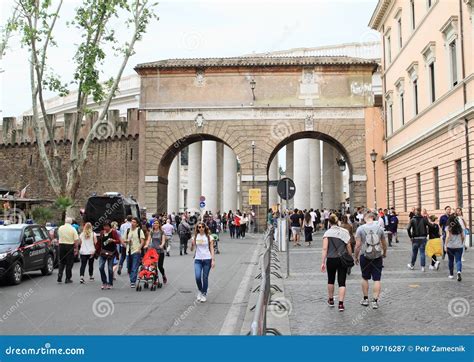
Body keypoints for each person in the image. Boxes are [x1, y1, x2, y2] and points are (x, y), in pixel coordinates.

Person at [355, 212, 387, 309]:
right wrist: (384, 252)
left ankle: (365, 299)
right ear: (373, 218)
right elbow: (384, 243)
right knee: (377, 279)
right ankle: (375, 301)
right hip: (377, 256)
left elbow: (358, 245)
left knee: (365, 278)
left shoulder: (360, 229)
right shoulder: (380, 229)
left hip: (365, 256)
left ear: (365, 218)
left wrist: (355, 256)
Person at [321, 214, 352, 311]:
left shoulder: (327, 233)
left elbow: (325, 248)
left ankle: (331, 299)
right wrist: (350, 256)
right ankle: (341, 304)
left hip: (331, 259)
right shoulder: (344, 232)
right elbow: (349, 246)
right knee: (342, 282)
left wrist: (322, 262)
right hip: (342, 259)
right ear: (337, 221)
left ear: (329, 222)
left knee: (331, 280)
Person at [191, 222, 216, 303]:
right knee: (197, 277)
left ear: (205, 228)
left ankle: (204, 294)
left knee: (204, 278)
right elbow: (191, 249)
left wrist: (213, 260)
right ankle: (200, 290)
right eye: (199, 227)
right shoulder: (195, 237)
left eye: (202, 227)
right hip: (197, 260)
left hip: (207, 259)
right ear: (197, 228)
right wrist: (192, 245)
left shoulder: (209, 237)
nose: (201, 228)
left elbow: (212, 249)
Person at [123, 217, 146, 288]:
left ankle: (133, 281)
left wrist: (139, 248)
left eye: (134, 222)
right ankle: (132, 279)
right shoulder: (128, 230)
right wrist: (127, 241)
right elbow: (124, 240)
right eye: (132, 222)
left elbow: (142, 241)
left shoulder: (139, 230)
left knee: (134, 266)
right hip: (128, 251)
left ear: (137, 224)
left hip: (136, 251)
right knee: (129, 268)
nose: (132, 223)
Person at [98, 221, 121, 290]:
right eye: (104, 226)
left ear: (109, 226)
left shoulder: (113, 232)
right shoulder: (102, 232)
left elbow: (118, 241)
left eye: (107, 226)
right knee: (100, 267)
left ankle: (110, 283)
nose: (105, 228)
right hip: (103, 252)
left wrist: (113, 240)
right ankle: (104, 282)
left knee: (110, 269)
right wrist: (96, 250)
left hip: (111, 253)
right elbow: (99, 242)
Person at [57, 217, 79, 284]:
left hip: (61, 246)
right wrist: (76, 248)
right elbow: (76, 240)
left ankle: (60, 275)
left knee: (62, 262)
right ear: (71, 222)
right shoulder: (73, 229)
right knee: (69, 263)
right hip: (69, 246)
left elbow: (59, 236)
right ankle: (67, 278)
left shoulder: (60, 228)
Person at [407, 207, 429, 272]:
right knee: (422, 253)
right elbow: (429, 226)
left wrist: (410, 237)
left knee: (414, 253)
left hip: (415, 238)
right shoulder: (424, 219)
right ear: (420, 211)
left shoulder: (412, 219)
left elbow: (408, 229)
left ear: (416, 212)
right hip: (423, 238)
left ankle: (412, 265)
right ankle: (423, 267)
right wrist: (426, 234)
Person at [445, 214, 465, 281]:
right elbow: (463, 237)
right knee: (458, 260)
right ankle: (459, 272)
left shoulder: (448, 228)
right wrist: (461, 243)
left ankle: (451, 275)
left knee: (451, 260)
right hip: (459, 246)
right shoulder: (460, 227)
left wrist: (445, 245)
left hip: (450, 246)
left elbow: (447, 237)